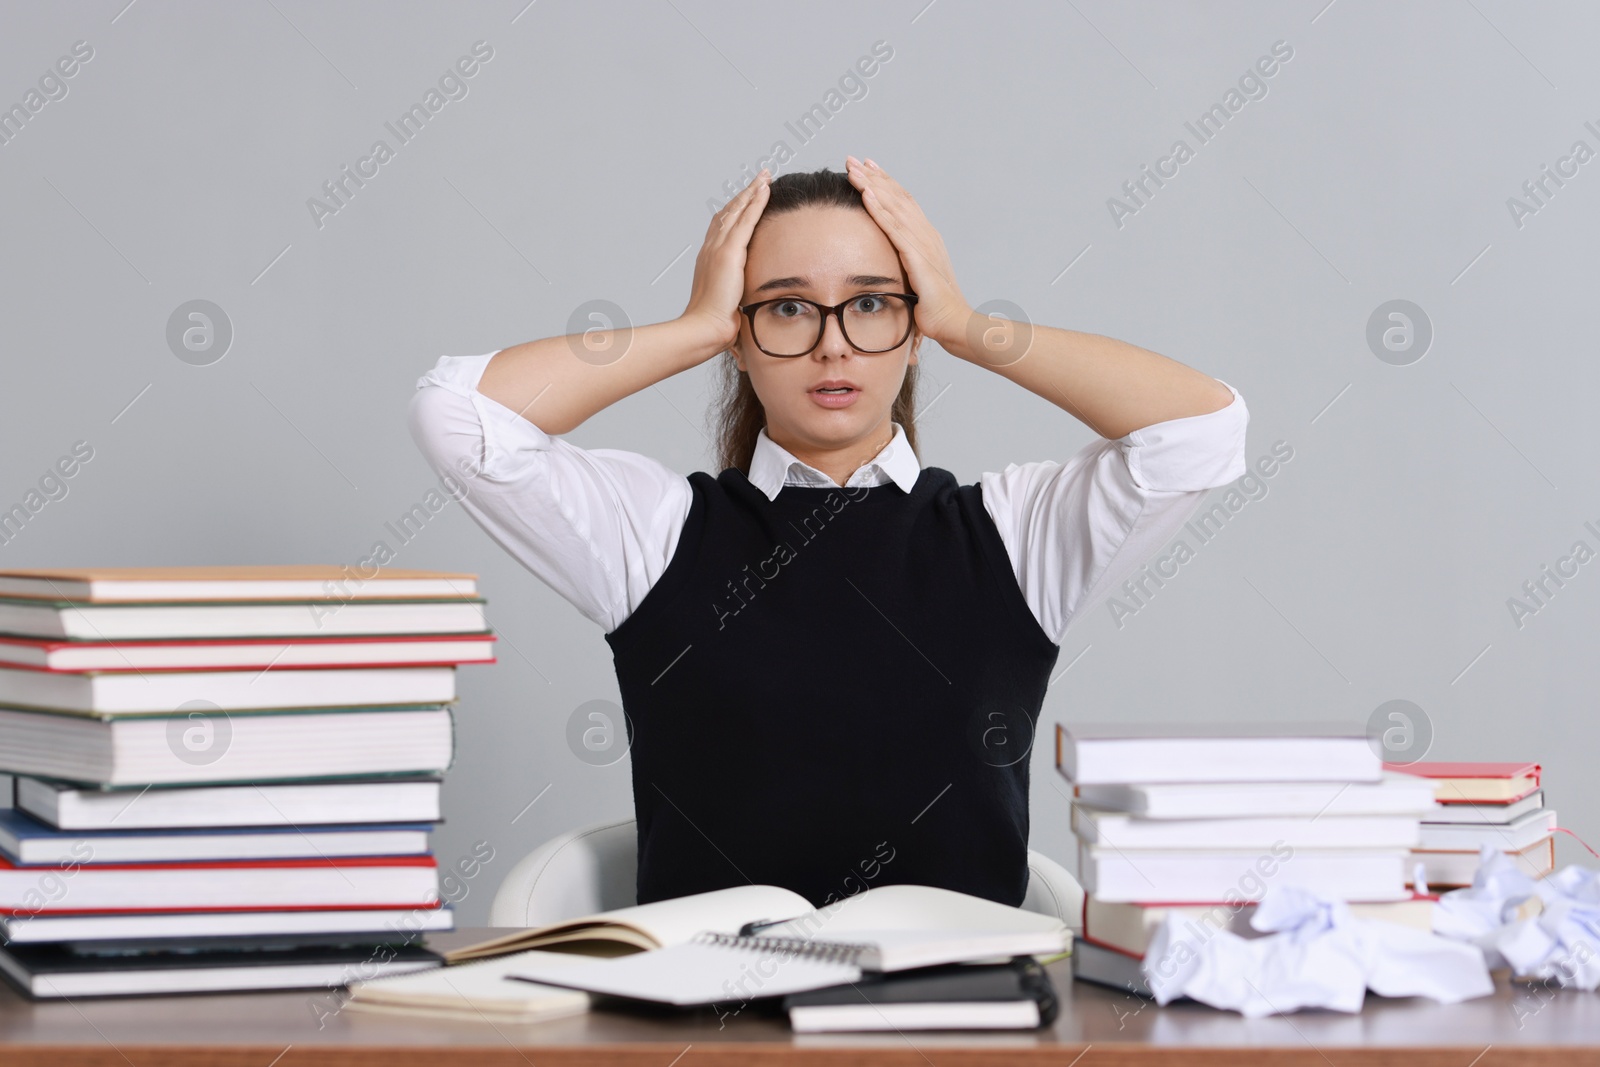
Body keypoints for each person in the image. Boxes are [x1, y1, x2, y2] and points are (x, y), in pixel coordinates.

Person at [408, 157, 1248, 908]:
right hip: (708, 1027)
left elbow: (1204, 429)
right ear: (743, 337)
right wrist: (695, 327)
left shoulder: (1013, 534)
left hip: (960, 1023)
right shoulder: (657, 532)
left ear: (912, 332)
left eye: (873, 304)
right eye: (785, 309)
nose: (832, 345)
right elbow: (458, 416)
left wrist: (967, 325)